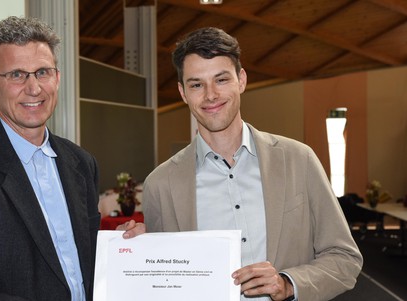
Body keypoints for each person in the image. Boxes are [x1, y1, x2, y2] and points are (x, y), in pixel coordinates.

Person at [0, 16, 142, 301]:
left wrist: (125, 246)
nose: (34, 88)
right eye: (16, 75)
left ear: (57, 78)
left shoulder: (81, 163)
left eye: (42, 72)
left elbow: (84, 263)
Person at [141, 27, 363, 301]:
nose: (210, 95)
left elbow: (344, 259)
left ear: (241, 80)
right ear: (183, 92)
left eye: (221, 80)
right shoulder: (160, 185)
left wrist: (288, 283)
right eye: (196, 84)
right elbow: (161, 280)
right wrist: (136, 249)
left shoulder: (299, 160)